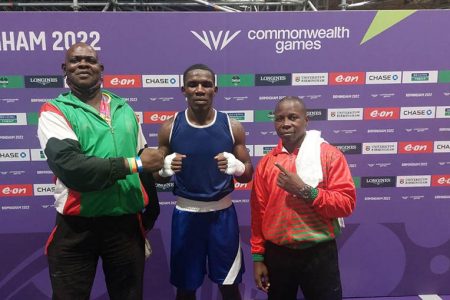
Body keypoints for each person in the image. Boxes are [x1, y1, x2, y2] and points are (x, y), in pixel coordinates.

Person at [37, 42, 164, 300]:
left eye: (90, 60)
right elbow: (73, 168)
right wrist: (135, 163)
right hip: (77, 228)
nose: (83, 64)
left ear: (101, 68)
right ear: (65, 68)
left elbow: (143, 159)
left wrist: (149, 214)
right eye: (75, 60)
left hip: (125, 226)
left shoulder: (124, 109)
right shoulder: (54, 111)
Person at [155, 64, 253, 300]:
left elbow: (248, 174)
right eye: (193, 84)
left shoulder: (232, 126)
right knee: (186, 288)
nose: (200, 89)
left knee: (229, 286)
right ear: (183, 90)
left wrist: (237, 167)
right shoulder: (169, 127)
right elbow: (156, 176)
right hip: (186, 215)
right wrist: (165, 168)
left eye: (206, 84)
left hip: (223, 216)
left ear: (215, 89)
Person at [250, 96, 356, 300]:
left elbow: (345, 204)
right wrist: (258, 257)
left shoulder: (329, 156)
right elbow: (258, 213)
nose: (286, 123)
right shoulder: (266, 163)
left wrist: (304, 190)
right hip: (277, 255)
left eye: (293, 117)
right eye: (280, 118)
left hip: (318, 254)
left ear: (306, 120)